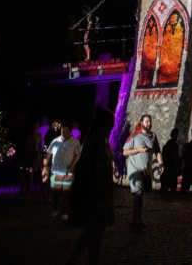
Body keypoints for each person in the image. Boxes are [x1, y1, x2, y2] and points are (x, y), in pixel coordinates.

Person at [67, 109, 115, 265]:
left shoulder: (102, 141)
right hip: (94, 196)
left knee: (91, 233)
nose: (113, 126)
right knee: (93, 233)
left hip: (101, 194)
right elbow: (89, 170)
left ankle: (75, 260)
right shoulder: (94, 141)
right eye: (111, 122)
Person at [123, 114, 163, 230]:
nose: (149, 124)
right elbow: (125, 152)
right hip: (134, 169)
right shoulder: (134, 136)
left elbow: (157, 151)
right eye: (146, 121)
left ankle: (137, 219)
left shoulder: (153, 136)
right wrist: (139, 150)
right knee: (138, 193)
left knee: (140, 195)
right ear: (141, 123)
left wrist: (161, 164)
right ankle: (136, 221)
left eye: (150, 121)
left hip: (146, 170)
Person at [42, 122, 81, 219]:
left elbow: (78, 155)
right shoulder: (55, 141)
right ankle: (55, 210)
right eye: (62, 130)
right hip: (55, 171)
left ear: (70, 131)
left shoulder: (75, 142)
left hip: (68, 172)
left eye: (66, 130)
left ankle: (65, 212)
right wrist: (45, 167)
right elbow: (48, 154)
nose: (64, 132)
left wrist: (72, 165)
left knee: (66, 193)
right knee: (55, 192)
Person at [18, 123, 42, 199]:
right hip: (26, 156)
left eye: (37, 125)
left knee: (30, 174)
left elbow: (39, 146)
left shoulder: (38, 135)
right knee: (23, 172)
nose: (35, 126)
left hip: (33, 156)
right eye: (35, 125)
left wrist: (39, 156)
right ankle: (24, 187)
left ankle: (27, 192)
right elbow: (23, 144)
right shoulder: (27, 134)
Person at [160, 128, 182, 193]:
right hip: (171, 170)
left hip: (169, 170)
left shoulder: (167, 146)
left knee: (165, 189)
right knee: (171, 190)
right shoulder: (174, 146)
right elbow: (176, 158)